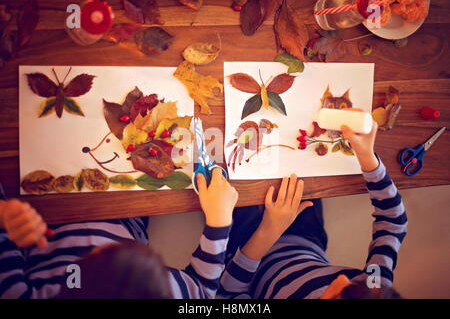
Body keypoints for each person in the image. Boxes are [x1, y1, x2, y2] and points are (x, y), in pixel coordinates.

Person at [218, 121, 406, 299]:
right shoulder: (373, 286)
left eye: (336, 293)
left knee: (230, 165)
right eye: (353, 284)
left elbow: (229, 293)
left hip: (246, 252)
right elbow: (393, 221)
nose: (341, 278)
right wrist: (367, 157)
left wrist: (270, 230)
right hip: (305, 238)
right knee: (299, 151)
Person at [0, 168, 238, 299]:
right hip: (128, 215)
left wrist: (5, 215)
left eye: (100, 252)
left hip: (47, 208)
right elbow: (205, 290)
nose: (103, 244)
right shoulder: (160, 290)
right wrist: (220, 220)